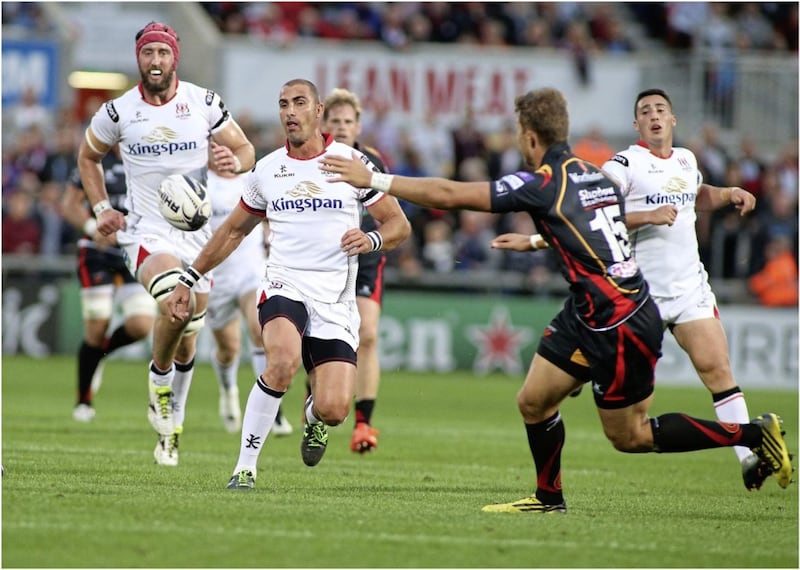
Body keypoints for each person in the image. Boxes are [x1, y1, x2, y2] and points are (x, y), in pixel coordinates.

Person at [318, 87, 793, 514]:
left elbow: (449, 193)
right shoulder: (593, 174)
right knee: (533, 401)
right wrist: (533, 243)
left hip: (619, 320)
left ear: (529, 138)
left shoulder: (543, 184)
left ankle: (752, 433)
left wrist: (374, 180)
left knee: (630, 436)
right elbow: (588, 230)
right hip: (588, 311)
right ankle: (549, 499)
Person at [164, 79, 410, 490]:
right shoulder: (268, 169)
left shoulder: (351, 163)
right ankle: (245, 467)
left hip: (334, 298)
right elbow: (231, 232)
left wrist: (372, 239)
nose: (290, 112)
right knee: (280, 362)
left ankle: (312, 417)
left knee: (334, 410)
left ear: (318, 112)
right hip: (284, 283)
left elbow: (399, 224)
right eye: (283, 104)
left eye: (299, 103)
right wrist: (188, 278)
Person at [77, 21, 255, 466]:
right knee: (175, 303)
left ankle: (171, 428)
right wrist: (102, 209)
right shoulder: (118, 112)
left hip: (198, 236)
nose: (155, 61)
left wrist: (235, 159)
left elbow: (247, 151)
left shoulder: (204, 102)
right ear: (139, 58)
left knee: (189, 341)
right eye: (148, 53)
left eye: (163, 53)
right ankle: (159, 382)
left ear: (175, 57)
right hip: (146, 233)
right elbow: (87, 157)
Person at [599, 88, 769, 490]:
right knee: (635, 417)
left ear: (673, 119)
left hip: (690, 288)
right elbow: (599, 208)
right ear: (637, 125)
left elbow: (695, 196)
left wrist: (728, 194)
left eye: (660, 109)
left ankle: (748, 457)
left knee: (718, 370)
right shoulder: (626, 163)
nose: (654, 115)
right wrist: (648, 215)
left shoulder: (686, 159)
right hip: (642, 299)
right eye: (645, 111)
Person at [62, 147, 157, 422]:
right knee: (96, 326)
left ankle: (102, 353)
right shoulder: (94, 160)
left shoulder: (149, 159)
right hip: (96, 253)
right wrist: (93, 229)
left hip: (134, 252)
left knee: (141, 325)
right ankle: (83, 401)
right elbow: (69, 205)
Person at [321, 87, 388, 453]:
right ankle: (315, 392)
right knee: (318, 335)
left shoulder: (373, 162)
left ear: (358, 125)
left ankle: (364, 423)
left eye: (348, 121)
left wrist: (374, 239)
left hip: (365, 260)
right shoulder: (314, 159)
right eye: (335, 121)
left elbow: (389, 214)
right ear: (323, 122)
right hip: (324, 261)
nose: (343, 127)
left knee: (369, 335)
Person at [205, 162, 293, 436]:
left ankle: (273, 411)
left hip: (252, 272)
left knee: (259, 331)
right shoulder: (198, 181)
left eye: (229, 143)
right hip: (216, 277)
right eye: (215, 143)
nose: (223, 149)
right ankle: (228, 389)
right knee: (228, 349)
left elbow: (273, 212)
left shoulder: (254, 177)